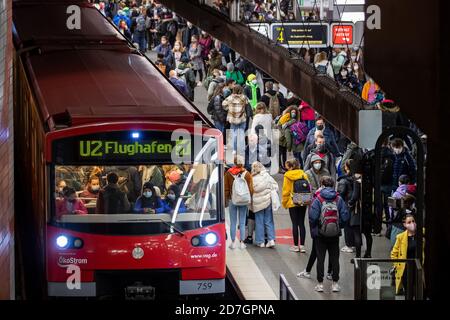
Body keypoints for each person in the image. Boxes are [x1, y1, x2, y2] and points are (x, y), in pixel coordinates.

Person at [309, 176, 349, 293]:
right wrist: (338, 226)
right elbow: (345, 216)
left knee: (320, 258)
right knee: (335, 258)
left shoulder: (318, 199)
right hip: (335, 234)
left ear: (322, 185)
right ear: (333, 185)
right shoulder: (338, 199)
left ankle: (320, 284)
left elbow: (313, 217)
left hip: (321, 234)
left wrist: (318, 227)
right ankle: (335, 283)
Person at [224, 155, 254, 250]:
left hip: (232, 200)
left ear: (234, 162)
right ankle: (242, 242)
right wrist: (248, 198)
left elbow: (226, 188)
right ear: (242, 163)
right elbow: (251, 189)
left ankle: (233, 242)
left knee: (233, 222)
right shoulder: (247, 174)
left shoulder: (228, 173)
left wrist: (226, 199)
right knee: (242, 222)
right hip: (243, 201)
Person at [282, 159, 310, 253]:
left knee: (295, 223)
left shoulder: (287, 175)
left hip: (292, 200)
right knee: (301, 223)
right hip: (303, 198)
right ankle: (302, 246)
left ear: (291, 167)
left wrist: (284, 203)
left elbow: (285, 191)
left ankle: (295, 245)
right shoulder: (303, 173)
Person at [251, 161, 278, 248]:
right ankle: (271, 240)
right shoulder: (267, 176)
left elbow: (251, 190)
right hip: (267, 201)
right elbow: (276, 186)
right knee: (269, 221)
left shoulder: (252, 178)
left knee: (259, 222)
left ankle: (260, 241)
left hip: (257, 203)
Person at [391, 214, 418, 296]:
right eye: (409, 222)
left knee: (419, 291)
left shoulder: (422, 234)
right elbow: (394, 253)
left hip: (418, 267)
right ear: (405, 225)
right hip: (406, 269)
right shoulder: (400, 237)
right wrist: (397, 265)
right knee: (408, 292)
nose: (412, 224)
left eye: (413, 221)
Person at [222, 85, 248, 155]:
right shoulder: (244, 97)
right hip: (242, 118)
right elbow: (247, 103)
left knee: (234, 135)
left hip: (233, 119)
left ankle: (234, 149)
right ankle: (242, 150)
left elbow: (223, 104)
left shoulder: (230, 98)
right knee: (242, 133)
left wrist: (229, 108)